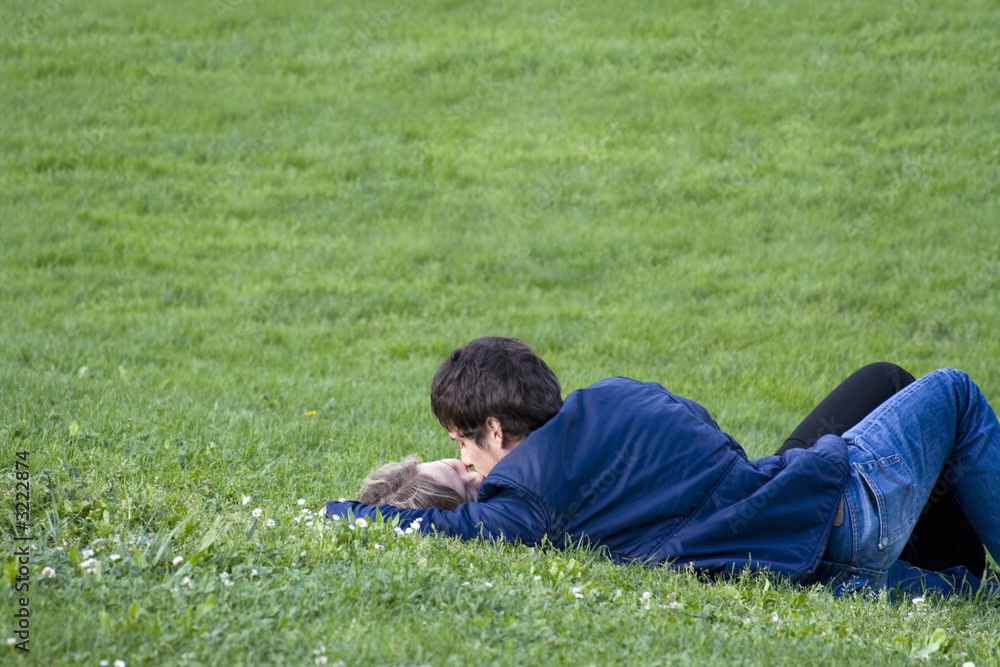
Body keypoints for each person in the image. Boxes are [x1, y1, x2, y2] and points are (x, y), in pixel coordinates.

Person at [327, 337, 1000, 597]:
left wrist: (327, 511)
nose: (471, 462)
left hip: (806, 549)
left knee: (968, 594)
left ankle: (963, 583)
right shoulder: (613, 400)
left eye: (461, 446)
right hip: (831, 520)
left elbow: (450, 529)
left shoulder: (529, 496)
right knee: (954, 392)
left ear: (496, 429)